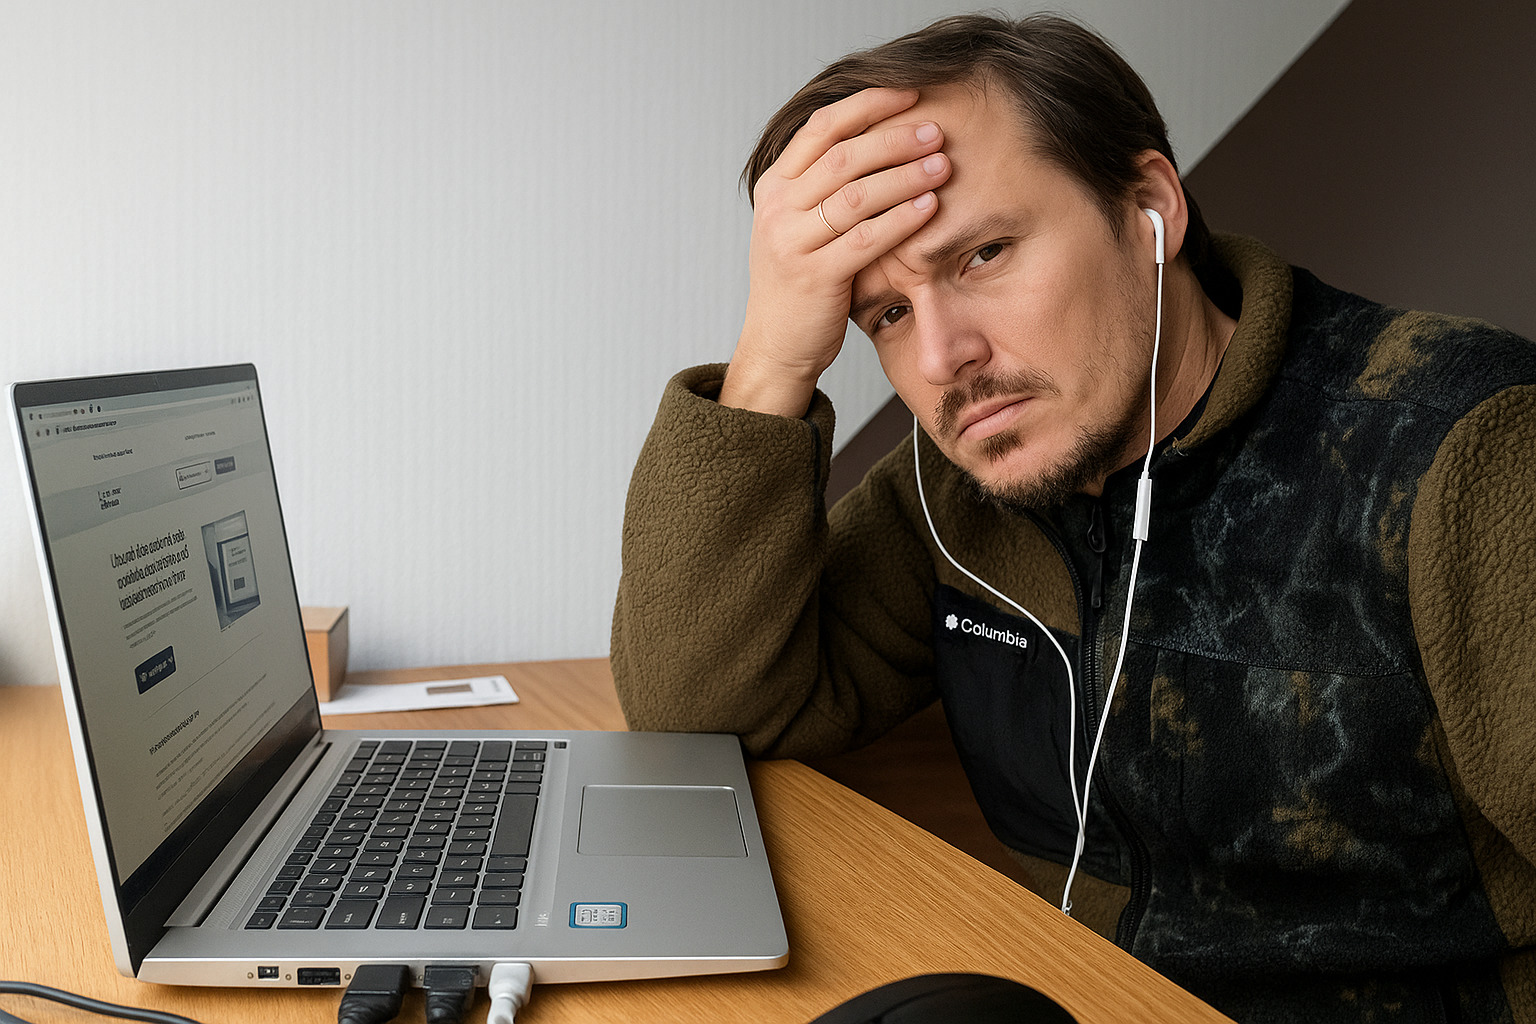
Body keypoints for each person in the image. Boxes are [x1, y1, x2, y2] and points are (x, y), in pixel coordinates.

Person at [610, 13, 1536, 1023]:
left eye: (983, 254)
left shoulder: (1468, 451)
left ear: (1150, 208)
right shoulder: (959, 493)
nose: (943, 359)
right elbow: (700, 712)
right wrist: (772, 358)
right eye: (887, 314)